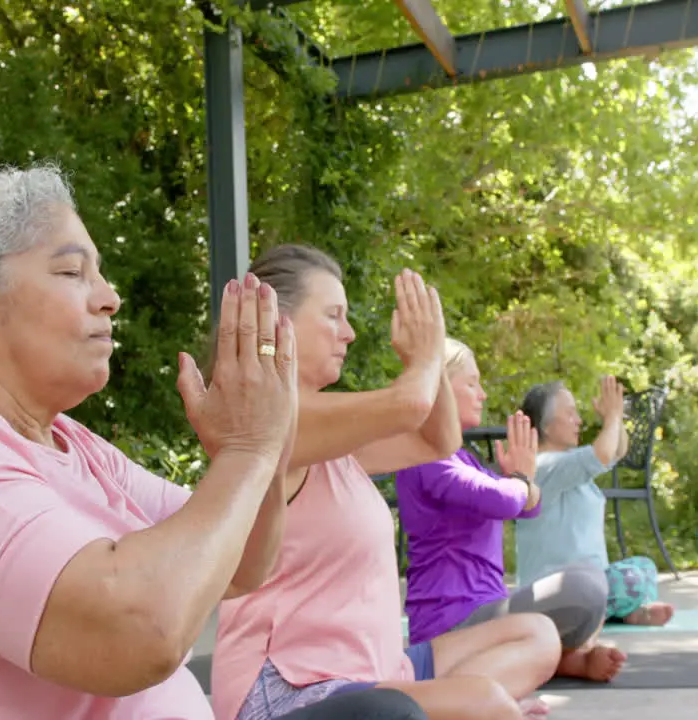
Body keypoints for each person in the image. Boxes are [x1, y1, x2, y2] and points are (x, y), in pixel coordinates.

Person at [0, 166, 432, 720]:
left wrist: (264, 444)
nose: (109, 296)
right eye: (71, 272)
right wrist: (248, 451)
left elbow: (243, 564)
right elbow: (138, 634)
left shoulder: (76, 446)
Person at [211, 244, 561, 720]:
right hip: (292, 686)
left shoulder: (335, 432)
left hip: (377, 671)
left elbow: (438, 439)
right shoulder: (269, 416)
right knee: (486, 702)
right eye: (333, 315)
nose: (349, 334)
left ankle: (451, 709)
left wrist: (429, 361)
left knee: (536, 635)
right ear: (279, 322)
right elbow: (409, 405)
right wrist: (424, 358)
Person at [394, 338, 627, 682]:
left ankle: (560, 659)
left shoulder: (463, 458)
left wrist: (521, 484)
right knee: (585, 586)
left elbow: (528, 506)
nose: (482, 394)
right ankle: (560, 659)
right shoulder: (426, 457)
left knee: (589, 584)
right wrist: (521, 481)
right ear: (439, 387)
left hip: (488, 612)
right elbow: (508, 499)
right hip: (449, 626)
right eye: (471, 383)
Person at [514, 377, 676, 627]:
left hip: (589, 582)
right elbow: (600, 455)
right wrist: (611, 419)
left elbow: (617, 451)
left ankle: (623, 611)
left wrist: (616, 417)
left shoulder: (569, 464)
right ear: (546, 427)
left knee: (644, 566)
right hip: (556, 589)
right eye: (569, 414)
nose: (578, 420)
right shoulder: (543, 466)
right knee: (630, 578)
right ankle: (611, 612)